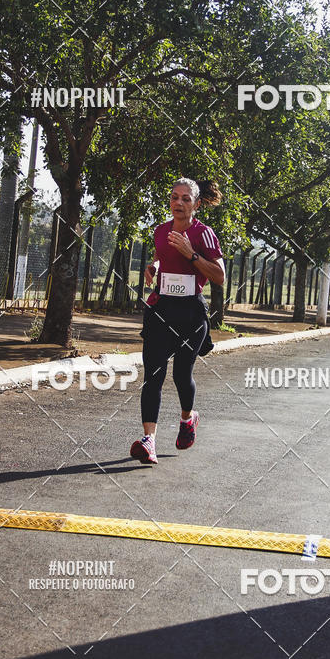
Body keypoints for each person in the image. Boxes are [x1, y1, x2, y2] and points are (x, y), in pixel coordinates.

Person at [130, 178, 225, 465]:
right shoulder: (160, 231)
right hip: (161, 309)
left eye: (186, 199)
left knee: (181, 375)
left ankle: (188, 417)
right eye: (174, 197)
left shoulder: (204, 234)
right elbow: (161, 257)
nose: (179, 203)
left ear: (196, 204)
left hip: (191, 314)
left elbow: (220, 277)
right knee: (153, 375)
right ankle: (149, 440)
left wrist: (191, 254)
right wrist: (153, 266)